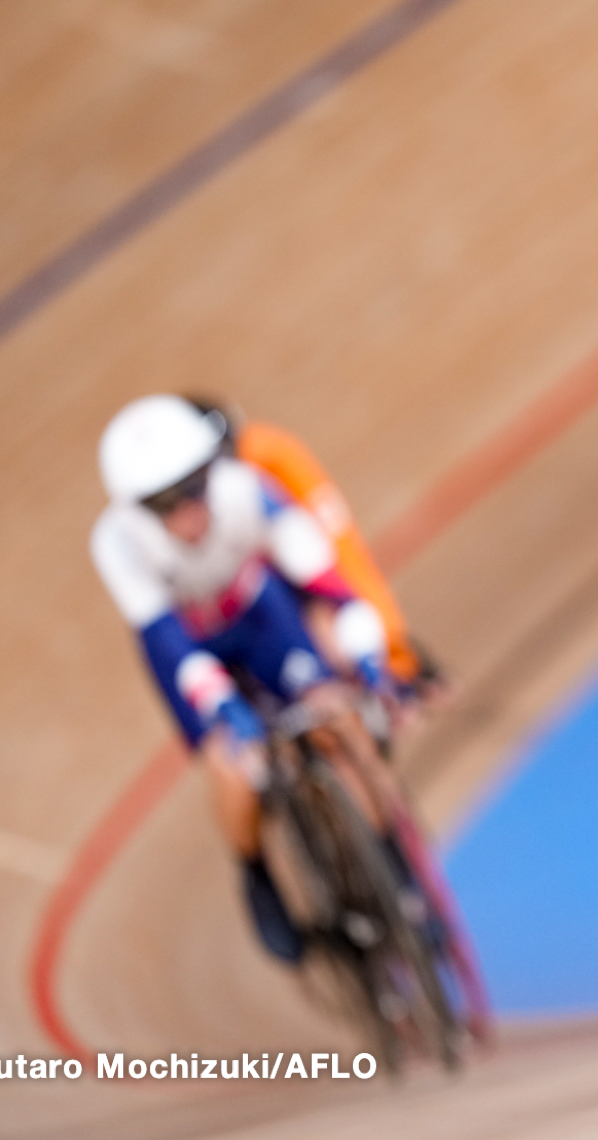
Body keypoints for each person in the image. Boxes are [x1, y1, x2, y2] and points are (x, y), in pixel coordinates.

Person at [89, 395, 401, 963]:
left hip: (259, 617)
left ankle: (391, 862)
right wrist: (225, 711)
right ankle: (257, 874)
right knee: (231, 760)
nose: (187, 510)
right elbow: (168, 643)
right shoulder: (115, 544)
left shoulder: (247, 488)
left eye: (193, 487)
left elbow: (324, 581)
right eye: (164, 503)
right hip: (191, 644)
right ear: (137, 509)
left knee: (337, 718)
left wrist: (367, 654)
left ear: (213, 472)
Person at [183, 396, 446, 717]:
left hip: (290, 548)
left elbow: (343, 551)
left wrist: (388, 644)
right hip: (245, 571)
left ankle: (400, 667)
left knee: (322, 596)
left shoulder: (268, 451)